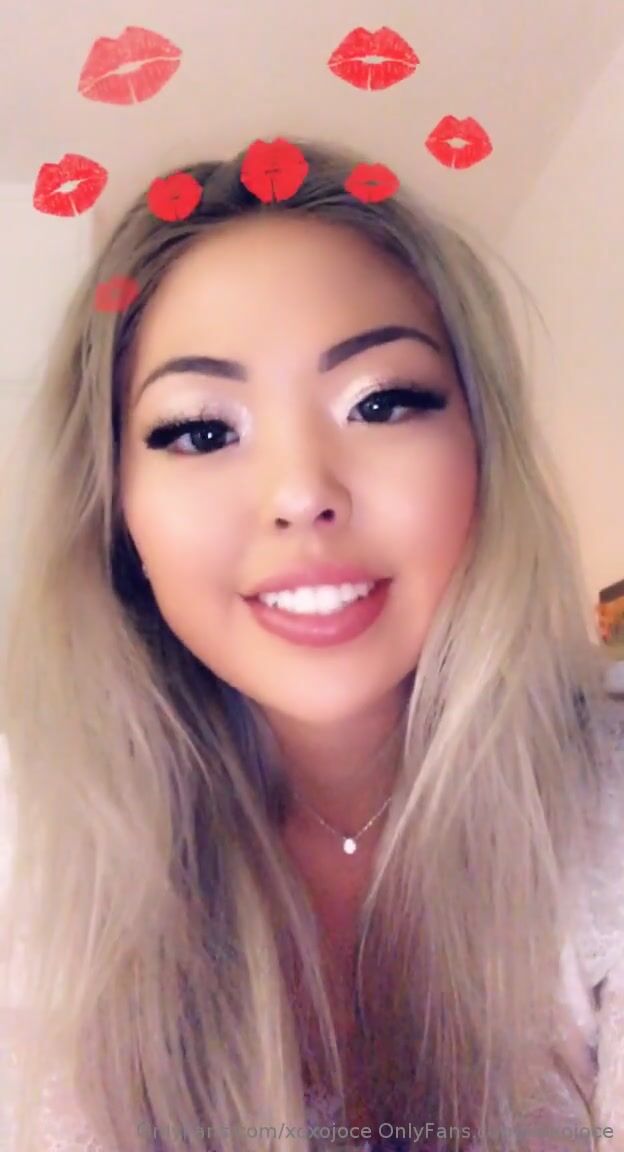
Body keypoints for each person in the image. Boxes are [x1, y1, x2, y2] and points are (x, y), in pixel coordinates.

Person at [0, 135, 623, 1152]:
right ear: (115, 510)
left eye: (383, 402)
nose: (301, 494)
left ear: (482, 453)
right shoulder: (26, 841)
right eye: (202, 431)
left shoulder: (604, 798)